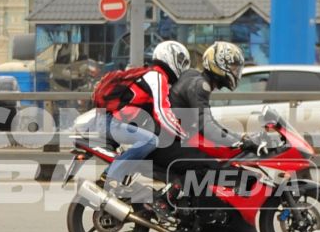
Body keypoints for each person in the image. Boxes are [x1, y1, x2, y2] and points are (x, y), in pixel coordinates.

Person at [160, 42, 254, 203]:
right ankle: (167, 201)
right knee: (209, 167)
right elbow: (207, 126)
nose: (235, 72)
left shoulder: (195, 78)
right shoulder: (200, 85)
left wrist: (237, 138)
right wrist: (239, 141)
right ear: (218, 65)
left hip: (173, 139)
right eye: (232, 66)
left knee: (214, 162)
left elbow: (207, 124)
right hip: (169, 143)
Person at [106, 40, 189, 207]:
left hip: (120, 122)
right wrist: (182, 135)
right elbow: (162, 111)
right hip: (115, 123)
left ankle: (125, 181)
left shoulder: (156, 76)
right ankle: (110, 177)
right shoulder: (156, 76)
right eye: (180, 61)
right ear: (168, 56)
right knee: (151, 141)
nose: (182, 67)